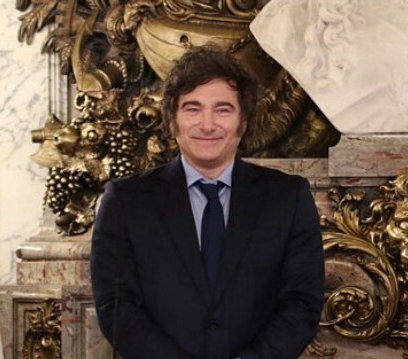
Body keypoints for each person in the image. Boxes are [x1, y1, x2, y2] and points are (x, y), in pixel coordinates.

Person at [90, 44, 324, 359]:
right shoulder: (126, 201)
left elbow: (302, 303)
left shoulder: (289, 198)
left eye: (223, 109)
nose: (208, 124)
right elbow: (116, 306)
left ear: (243, 122)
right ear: (173, 121)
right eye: (193, 108)